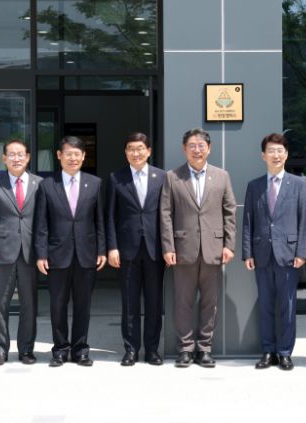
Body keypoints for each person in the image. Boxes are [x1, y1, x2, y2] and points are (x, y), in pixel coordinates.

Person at [160, 128, 236, 368]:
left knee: (209, 303)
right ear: (184, 149)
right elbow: (165, 214)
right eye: (192, 145)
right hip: (183, 249)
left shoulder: (221, 176)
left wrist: (229, 244)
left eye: (201, 145)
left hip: (214, 249)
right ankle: (185, 349)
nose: (197, 150)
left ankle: (204, 349)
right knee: (183, 302)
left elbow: (229, 212)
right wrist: (168, 246)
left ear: (209, 149)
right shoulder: (173, 177)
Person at [35, 136, 107, 368]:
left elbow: (100, 220)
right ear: (59, 156)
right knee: (57, 305)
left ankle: (80, 350)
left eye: (77, 154)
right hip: (57, 254)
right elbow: (41, 223)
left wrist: (102, 249)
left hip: (87, 253)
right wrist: (41, 254)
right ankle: (60, 350)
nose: (73, 158)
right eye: (68, 154)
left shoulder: (95, 183)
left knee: (83, 305)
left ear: (83, 156)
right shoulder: (47, 185)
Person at [242, 133, 306, 371]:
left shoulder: (299, 184)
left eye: (280, 151)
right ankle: (268, 351)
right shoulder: (254, 186)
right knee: (266, 306)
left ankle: (285, 352)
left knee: (287, 307)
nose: (276, 155)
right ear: (263, 155)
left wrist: (301, 252)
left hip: (288, 254)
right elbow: (248, 220)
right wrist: (247, 252)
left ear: (286, 154)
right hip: (261, 254)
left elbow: (304, 220)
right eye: (271, 151)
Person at [0, 139, 42, 366]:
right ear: (4, 158)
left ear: (28, 157)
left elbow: (43, 222)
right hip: (2, 253)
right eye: (12, 155)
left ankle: (26, 349)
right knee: (0, 304)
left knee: (29, 304)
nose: (16, 159)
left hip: (30, 253)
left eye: (21, 154)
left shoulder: (39, 184)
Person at [106, 132, 166, 366]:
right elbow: (110, 216)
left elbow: (167, 215)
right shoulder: (116, 178)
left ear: (148, 151)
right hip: (127, 250)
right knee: (129, 303)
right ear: (126, 152)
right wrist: (112, 247)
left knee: (154, 303)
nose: (136, 153)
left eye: (140, 148)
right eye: (131, 148)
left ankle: (152, 350)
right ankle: (131, 349)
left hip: (155, 249)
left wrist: (169, 247)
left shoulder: (162, 177)